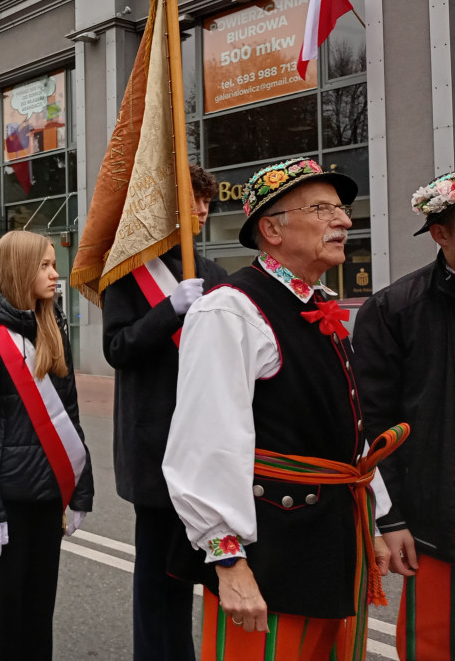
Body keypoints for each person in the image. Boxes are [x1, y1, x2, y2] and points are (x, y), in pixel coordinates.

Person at [162, 157, 400, 660]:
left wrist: (373, 520)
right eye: (321, 209)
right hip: (270, 552)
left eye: (341, 208)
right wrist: (229, 563)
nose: (343, 221)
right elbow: (205, 443)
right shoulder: (231, 309)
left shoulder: (313, 302)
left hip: (328, 538)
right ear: (271, 229)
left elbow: (343, 427)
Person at [101, 164, 228, 660]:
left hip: (204, 444)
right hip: (153, 442)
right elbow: (118, 347)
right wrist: (167, 310)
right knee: (157, 574)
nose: (201, 211)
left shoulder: (215, 274)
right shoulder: (130, 273)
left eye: (206, 203)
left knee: (202, 567)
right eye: (192, 201)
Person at [0, 230, 94, 661]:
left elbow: (68, 417)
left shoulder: (51, 326)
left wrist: (81, 491)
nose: (57, 275)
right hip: (6, 504)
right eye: (46, 266)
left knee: (37, 618)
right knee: (2, 624)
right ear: (19, 269)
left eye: (55, 264)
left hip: (46, 500)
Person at [353, 170, 455, 661]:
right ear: (440, 232)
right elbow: (374, 423)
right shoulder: (393, 309)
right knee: (431, 646)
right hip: (437, 522)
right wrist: (389, 517)